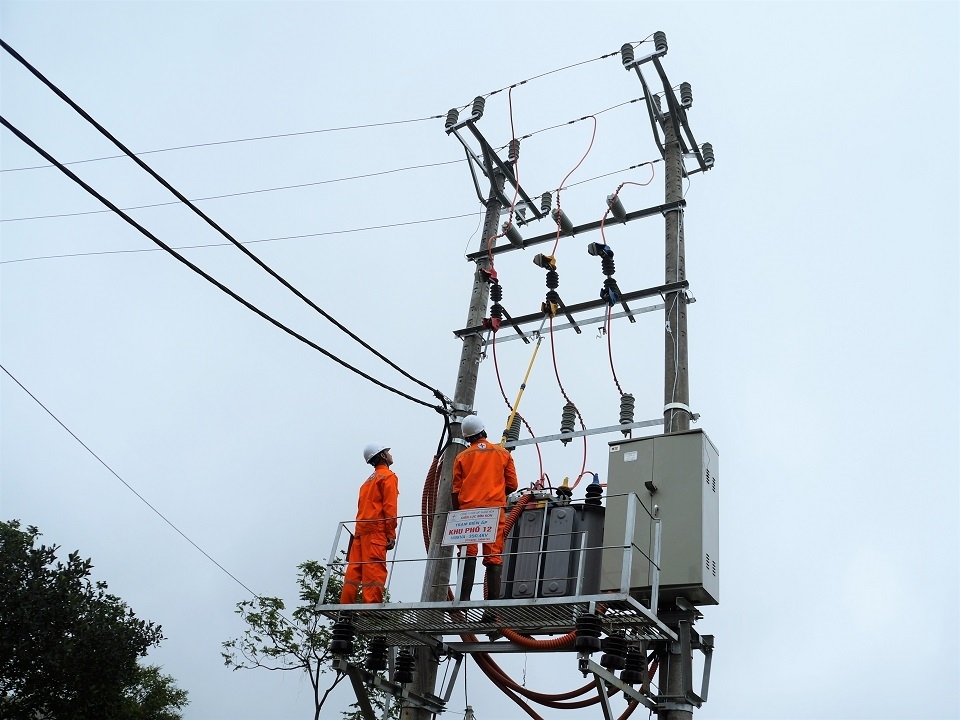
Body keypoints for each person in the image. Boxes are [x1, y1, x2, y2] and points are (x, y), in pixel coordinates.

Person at [452, 415, 518, 601]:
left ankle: (462, 602)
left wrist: (456, 515)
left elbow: (456, 491)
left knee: (467, 553)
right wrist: (497, 491)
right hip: (493, 510)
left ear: (466, 437)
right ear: (483, 430)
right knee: (493, 555)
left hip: (468, 513)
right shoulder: (502, 453)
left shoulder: (461, 457)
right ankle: (492, 608)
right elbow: (512, 485)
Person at [339, 443, 399, 604]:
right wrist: (391, 534)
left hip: (360, 532)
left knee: (354, 569)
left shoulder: (366, 482)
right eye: (387, 452)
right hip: (376, 531)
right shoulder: (388, 477)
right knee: (374, 568)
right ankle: (370, 608)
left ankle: (345, 606)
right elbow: (390, 507)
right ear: (382, 456)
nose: (390, 454)